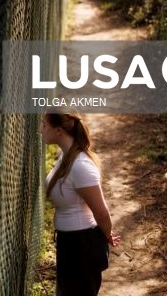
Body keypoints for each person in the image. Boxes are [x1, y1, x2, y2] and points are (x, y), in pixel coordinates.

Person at [41, 109, 121, 296]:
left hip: (83, 246)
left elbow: (101, 212)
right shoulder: (65, 157)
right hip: (69, 243)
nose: (40, 129)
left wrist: (107, 234)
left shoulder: (80, 166)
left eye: (44, 125)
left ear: (59, 130)